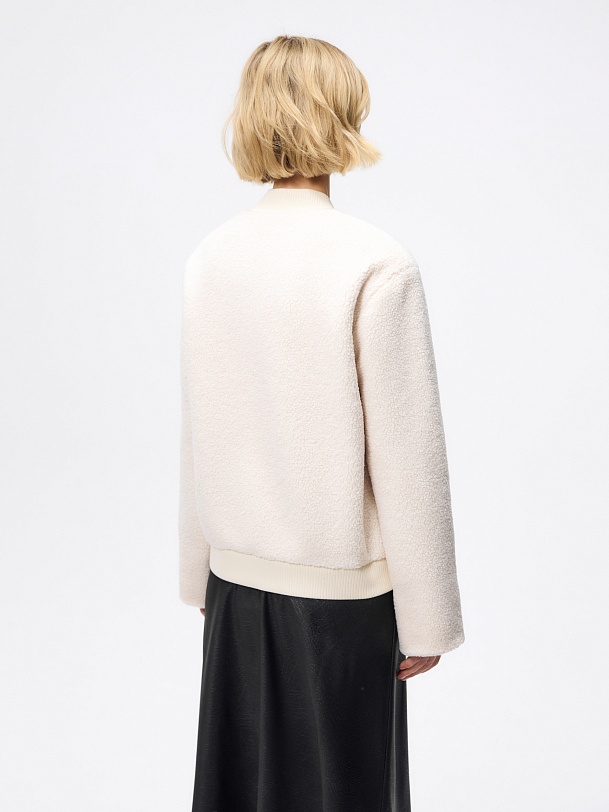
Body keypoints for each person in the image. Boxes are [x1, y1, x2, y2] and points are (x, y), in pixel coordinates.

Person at [179, 34, 465, 812]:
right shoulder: (372, 262)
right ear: (343, 115)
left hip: (234, 588)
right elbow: (408, 453)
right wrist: (428, 617)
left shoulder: (212, 256)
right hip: (340, 603)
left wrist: (197, 570)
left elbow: (201, 425)